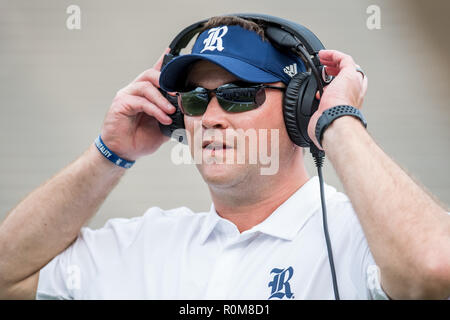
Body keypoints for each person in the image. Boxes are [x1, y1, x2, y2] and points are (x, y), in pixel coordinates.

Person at [0, 16, 449, 300]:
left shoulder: (361, 239)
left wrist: (337, 120)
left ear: (300, 105)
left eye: (236, 95)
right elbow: (7, 276)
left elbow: (437, 270)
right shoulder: (145, 244)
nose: (210, 116)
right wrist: (109, 154)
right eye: (195, 100)